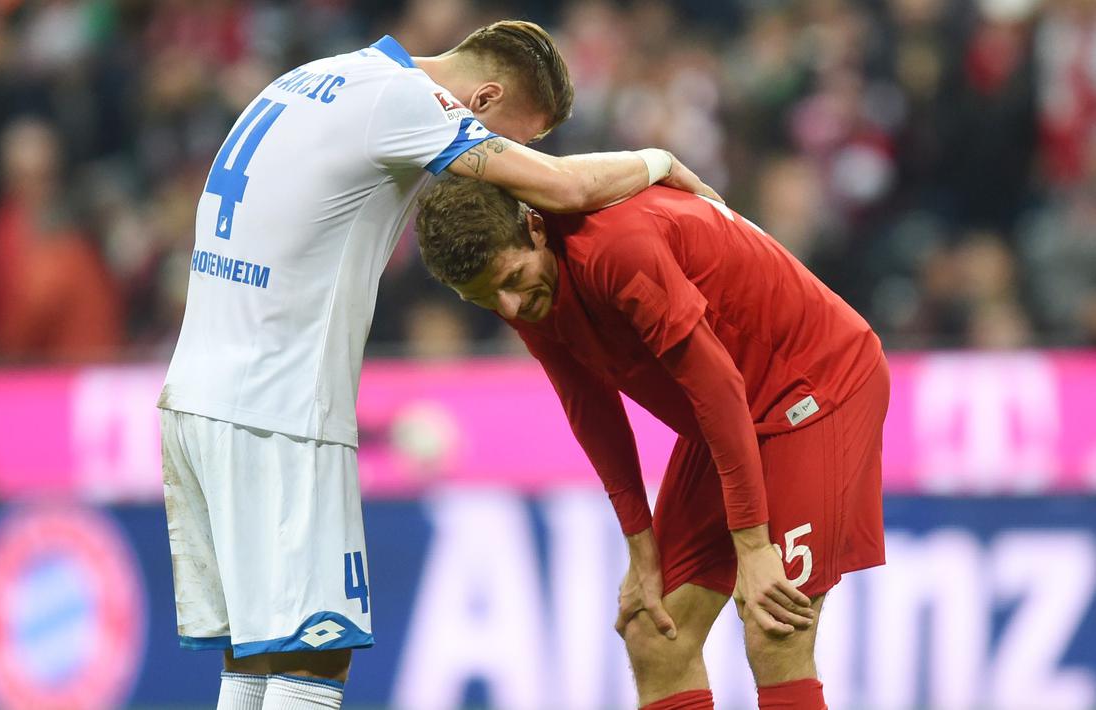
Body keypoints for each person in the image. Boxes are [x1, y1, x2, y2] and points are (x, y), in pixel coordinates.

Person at [157, 20, 719, 710]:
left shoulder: (309, 78)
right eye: (512, 136)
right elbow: (563, 189)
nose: (508, 158)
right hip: (279, 410)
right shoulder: (402, 102)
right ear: (482, 99)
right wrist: (657, 161)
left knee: (257, 651)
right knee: (316, 653)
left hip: (196, 394)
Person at [416, 176, 890, 710]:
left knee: (774, 625)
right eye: (483, 299)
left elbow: (719, 387)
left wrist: (753, 546)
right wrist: (641, 551)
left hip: (813, 388)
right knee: (652, 632)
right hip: (732, 415)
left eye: (512, 278)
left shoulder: (615, 248)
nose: (510, 305)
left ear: (534, 227)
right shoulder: (525, 290)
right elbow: (589, 408)